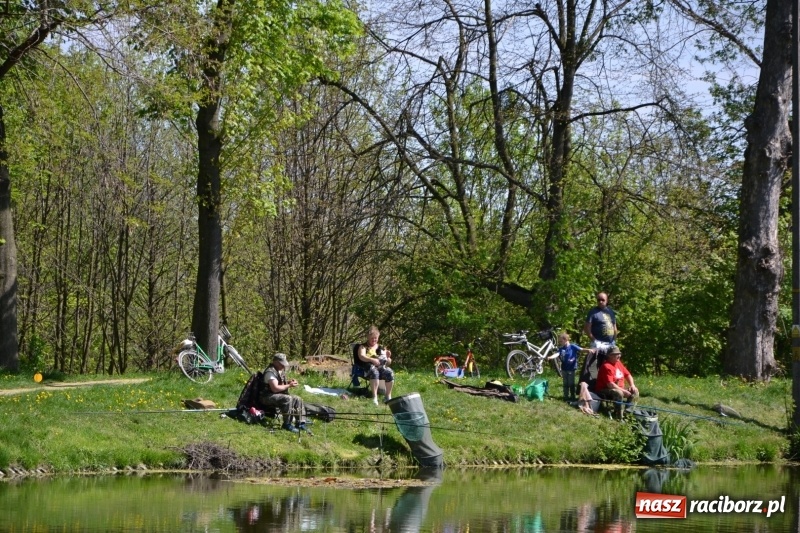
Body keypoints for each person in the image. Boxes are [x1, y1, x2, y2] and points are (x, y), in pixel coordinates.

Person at [259, 353, 308, 433]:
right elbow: (275, 388)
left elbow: (280, 383)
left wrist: (288, 382)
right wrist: (289, 385)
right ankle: (287, 424)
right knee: (287, 398)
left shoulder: (279, 370)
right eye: (281, 364)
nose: (283, 366)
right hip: (266, 397)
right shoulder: (270, 372)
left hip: (275, 394)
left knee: (297, 398)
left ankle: (301, 423)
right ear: (276, 362)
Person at [594, 346, 638, 419]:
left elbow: (628, 375)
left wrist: (632, 385)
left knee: (635, 391)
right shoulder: (606, 366)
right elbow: (610, 384)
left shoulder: (618, 363)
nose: (619, 356)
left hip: (618, 388)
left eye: (619, 354)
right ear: (610, 355)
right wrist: (624, 391)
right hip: (603, 390)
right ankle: (619, 416)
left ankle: (628, 413)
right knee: (618, 393)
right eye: (616, 354)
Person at [357, 325, 395, 405]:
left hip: (381, 367)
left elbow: (388, 363)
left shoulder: (381, 347)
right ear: (368, 337)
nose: (374, 340)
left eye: (376, 338)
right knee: (374, 372)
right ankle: (375, 397)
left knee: (390, 372)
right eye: (372, 338)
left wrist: (388, 357)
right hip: (368, 368)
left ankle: (388, 396)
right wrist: (371, 359)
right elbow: (361, 357)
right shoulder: (363, 347)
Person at [557, 332, 592, 402]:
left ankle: (572, 396)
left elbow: (581, 349)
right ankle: (565, 396)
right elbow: (557, 354)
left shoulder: (572, 346)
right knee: (565, 383)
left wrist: (588, 350)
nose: (560, 343)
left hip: (571, 368)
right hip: (564, 368)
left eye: (561, 341)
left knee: (571, 383)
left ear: (566, 340)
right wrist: (550, 357)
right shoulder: (561, 349)